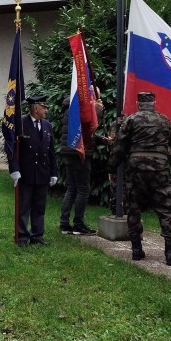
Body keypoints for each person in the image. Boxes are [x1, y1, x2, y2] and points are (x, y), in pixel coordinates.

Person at [108, 91, 171, 265]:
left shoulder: (131, 120)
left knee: (134, 207)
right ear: (154, 103)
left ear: (139, 104)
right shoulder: (164, 120)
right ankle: (170, 253)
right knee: (165, 208)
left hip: (136, 168)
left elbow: (119, 147)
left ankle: (137, 250)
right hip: (160, 168)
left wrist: (112, 168)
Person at [58, 88, 111, 236]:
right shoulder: (83, 107)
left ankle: (64, 223)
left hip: (69, 150)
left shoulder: (71, 105)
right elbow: (91, 123)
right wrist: (98, 110)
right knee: (83, 189)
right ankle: (78, 224)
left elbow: (85, 131)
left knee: (72, 188)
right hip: (80, 153)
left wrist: (101, 139)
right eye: (96, 95)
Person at [10, 94, 58, 245]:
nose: (46, 111)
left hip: (42, 172)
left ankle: (37, 235)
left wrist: (53, 173)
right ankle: (22, 236)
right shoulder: (21, 124)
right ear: (35, 108)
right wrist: (15, 169)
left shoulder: (47, 125)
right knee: (24, 207)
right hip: (26, 172)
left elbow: (51, 151)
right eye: (44, 107)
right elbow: (13, 149)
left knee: (39, 206)